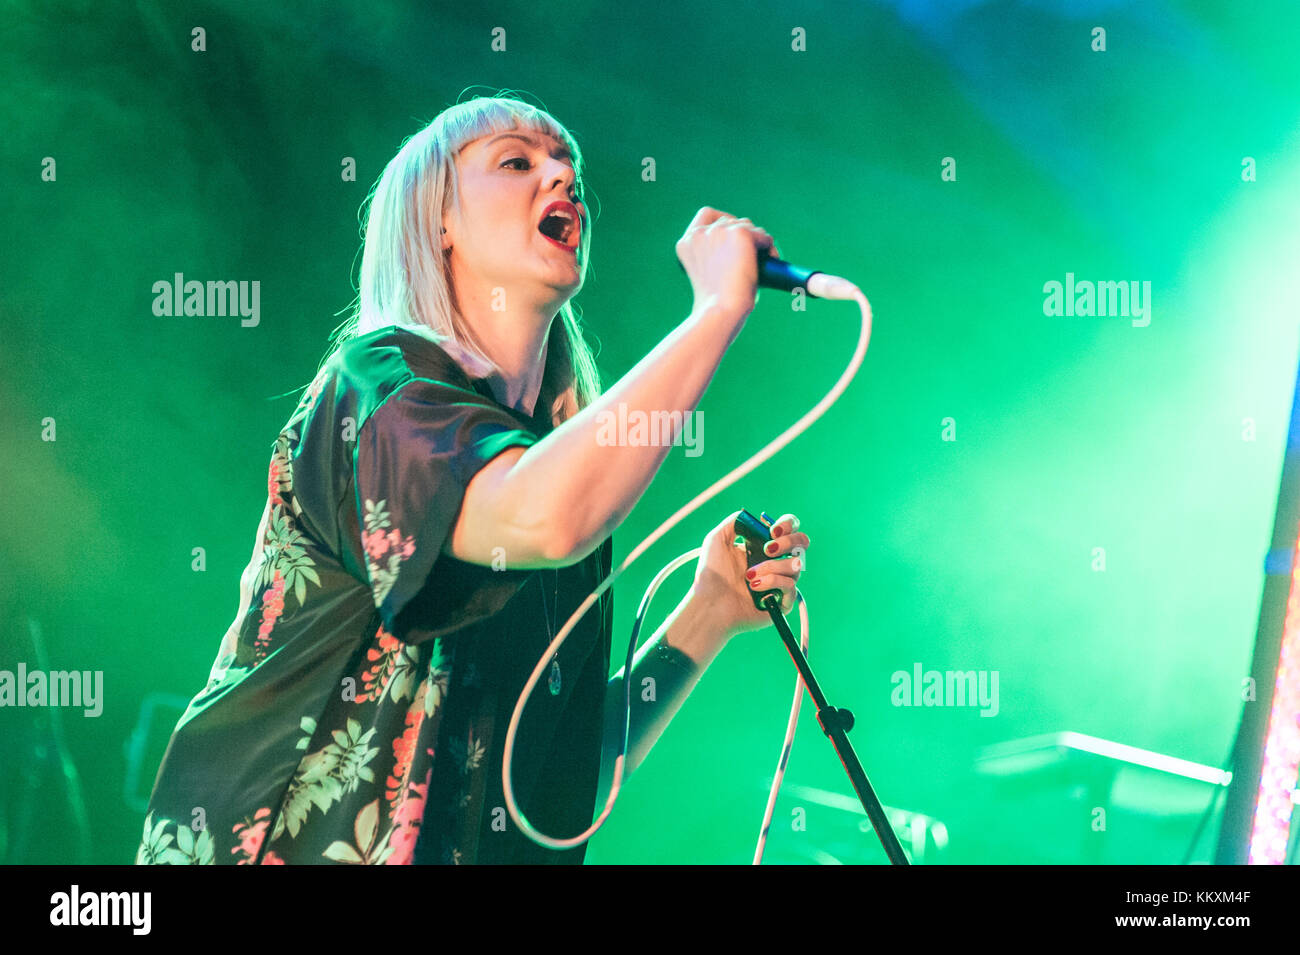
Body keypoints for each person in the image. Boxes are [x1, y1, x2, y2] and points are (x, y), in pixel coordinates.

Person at [135, 94, 811, 865]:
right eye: (517, 161)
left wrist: (709, 615)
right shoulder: (381, 388)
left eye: (569, 166)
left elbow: (552, 798)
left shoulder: (558, 478)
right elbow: (543, 516)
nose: (561, 176)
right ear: (439, 222)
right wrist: (717, 311)